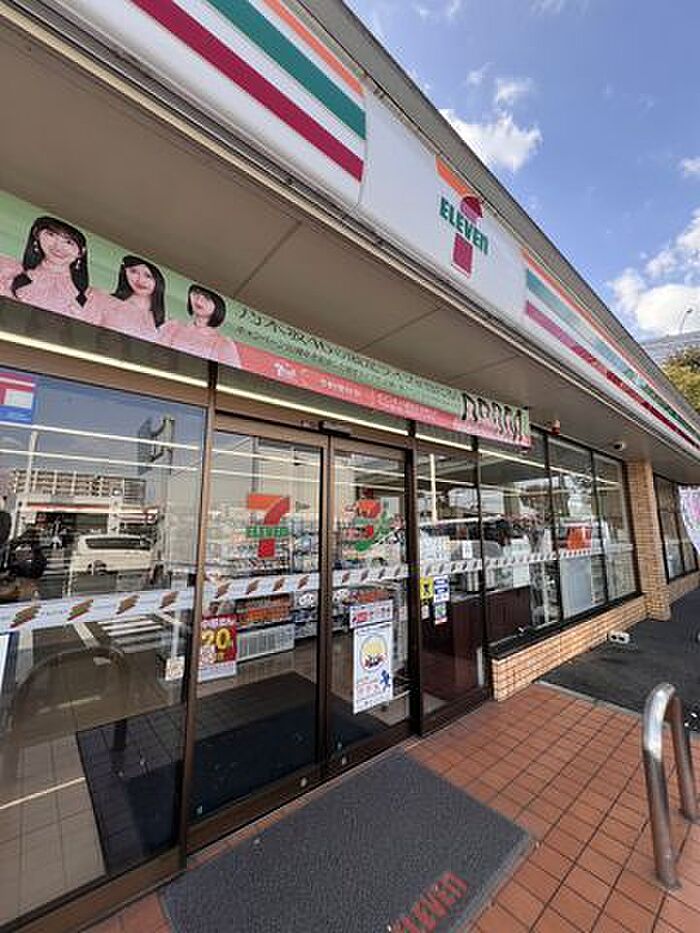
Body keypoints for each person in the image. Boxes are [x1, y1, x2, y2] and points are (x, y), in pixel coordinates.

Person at [0, 215, 100, 325]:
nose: (58, 247)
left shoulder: (92, 298)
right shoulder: (7, 271)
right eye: (51, 234)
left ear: (81, 252)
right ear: (37, 234)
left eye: (69, 242)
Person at [158, 284, 241, 366]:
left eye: (207, 297)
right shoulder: (172, 327)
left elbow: (232, 373)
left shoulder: (224, 344)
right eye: (196, 292)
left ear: (218, 304)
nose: (199, 299)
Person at [88, 255, 166, 341]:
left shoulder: (162, 323)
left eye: (148, 276)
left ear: (158, 280)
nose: (140, 280)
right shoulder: (106, 302)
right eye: (133, 271)